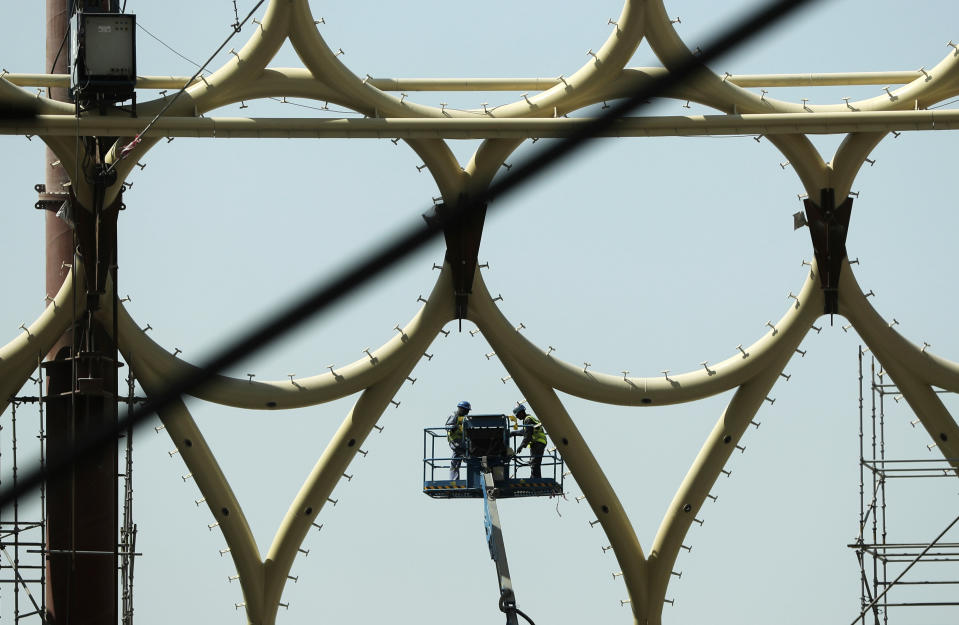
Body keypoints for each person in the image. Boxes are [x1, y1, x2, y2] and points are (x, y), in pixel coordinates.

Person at [514, 404, 547, 479]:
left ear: (522, 412)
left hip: (538, 442)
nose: (517, 417)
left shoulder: (528, 420)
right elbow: (525, 431)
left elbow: (528, 435)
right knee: (535, 462)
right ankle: (535, 477)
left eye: (518, 415)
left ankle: (535, 478)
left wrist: (521, 446)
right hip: (537, 442)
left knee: (535, 462)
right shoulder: (528, 419)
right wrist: (513, 433)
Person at [446, 400, 471, 480]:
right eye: (466, 410)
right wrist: (454, 427)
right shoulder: (454, 415)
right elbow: (447, 426)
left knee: (455, 460)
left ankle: (454, 479)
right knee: (470, 452)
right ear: (461, 409)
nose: (467, 412)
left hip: (461, 441)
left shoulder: (464, 418)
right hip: (455, 441)